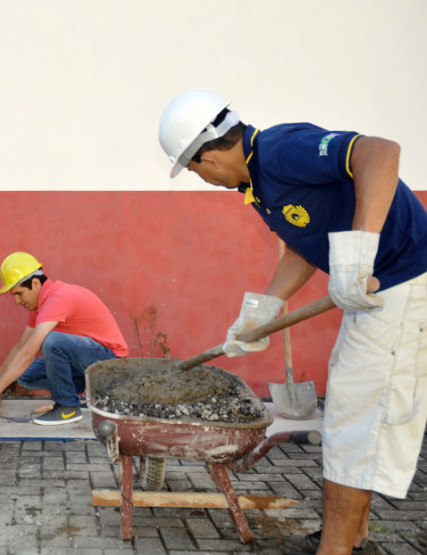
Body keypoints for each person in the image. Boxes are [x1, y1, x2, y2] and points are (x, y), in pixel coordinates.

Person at [158, 90, 427, 555]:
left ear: (209, 155)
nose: (200, 179)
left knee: (354, 424)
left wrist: (358, 254)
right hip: (374, 297)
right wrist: (261, 311)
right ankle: (353, 537)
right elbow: (304, 248)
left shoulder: (280, 150)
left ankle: (336, 549)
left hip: (400, 286)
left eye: (195, 169)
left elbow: (380, 152)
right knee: (352, 414)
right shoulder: (260, 186)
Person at [0, 252, 128, 425]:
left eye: (19, 293)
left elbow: (29, 353)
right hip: (87, 362)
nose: (16, 301)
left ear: (36, 284)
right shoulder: (39, 307)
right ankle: (86, 393)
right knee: (26, 376)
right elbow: (20, 347)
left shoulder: (57, 298)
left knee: (52, 341)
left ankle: (67, 408)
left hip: (110, 363)